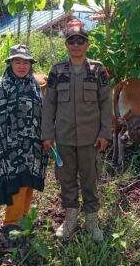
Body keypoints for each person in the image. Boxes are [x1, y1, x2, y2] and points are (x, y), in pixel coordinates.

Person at [42, 25, 112, 242]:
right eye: (71, 41)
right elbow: (49, 104)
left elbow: (106, 104)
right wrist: (47, 134)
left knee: (90, 180)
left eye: (80, 41)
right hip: (63, 138)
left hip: (90, 139)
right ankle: (70, 218)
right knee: (66, 179)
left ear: (87, 44)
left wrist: (105, 133)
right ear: (66, 45)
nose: (76, 45)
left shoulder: (98, 71)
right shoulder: (57, 71)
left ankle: (92, 222)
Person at [0, 44, 48, 238]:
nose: (22, 66)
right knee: (16, 183)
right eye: (17, 62)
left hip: (33, 145)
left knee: (28, 181)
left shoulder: (34, 85)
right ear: (10, 63)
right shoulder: (2, 86)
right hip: (10, 146)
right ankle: (11, 222)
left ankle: (24, 217)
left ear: (30, 65)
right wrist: (5, 146)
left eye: (26, 62)